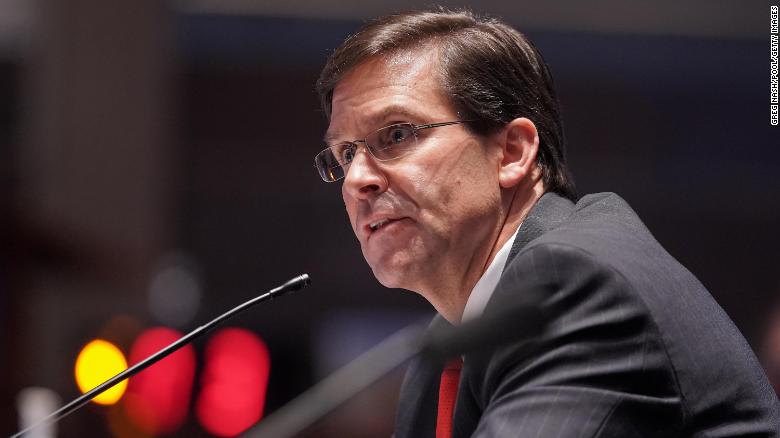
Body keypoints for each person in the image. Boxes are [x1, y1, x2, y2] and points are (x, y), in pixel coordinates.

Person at [313, 9, 780, 437]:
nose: (357, 180)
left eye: (397, 134)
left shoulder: (575, 285)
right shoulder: (443, 350)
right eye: (345, 154)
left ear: (512, 152)